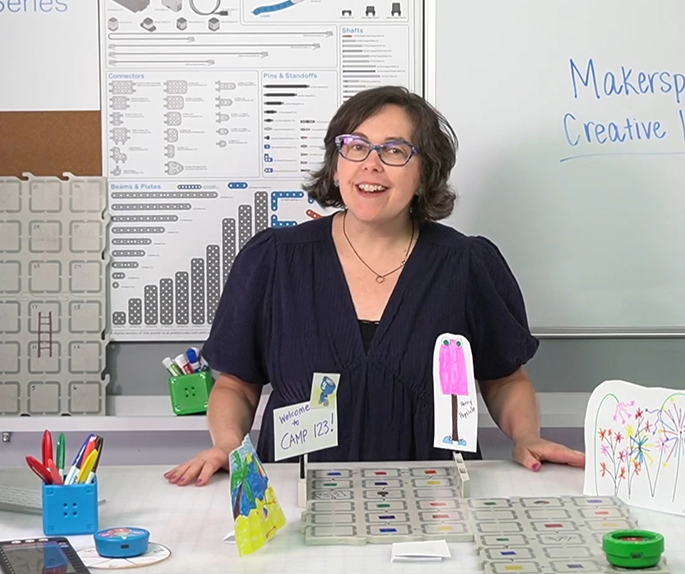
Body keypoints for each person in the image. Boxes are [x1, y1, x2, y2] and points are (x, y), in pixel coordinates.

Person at [166, 86, 585, 487]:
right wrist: (228, 446)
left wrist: (526, 437)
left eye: (395, 151)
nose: (371, 163)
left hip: (434, 500)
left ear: (425, 173)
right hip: (299, 497)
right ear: (336, 163)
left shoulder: (467, 265)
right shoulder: (274, 260)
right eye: (356, 146)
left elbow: (505, 380)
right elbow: (237, 385)